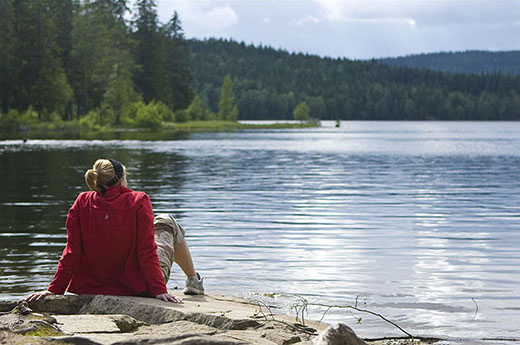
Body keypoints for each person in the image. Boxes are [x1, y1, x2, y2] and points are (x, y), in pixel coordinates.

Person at [26, 158, 203, 302]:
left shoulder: (82, 201)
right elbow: (146, 250)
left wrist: (55, 290)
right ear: (120, 180)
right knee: (167, 221)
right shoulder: (138, 200)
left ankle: (193, 280)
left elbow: (72, 252)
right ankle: (193, 281)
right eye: (125, 176)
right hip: (138, 287)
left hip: (91, 288)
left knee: (159, 224)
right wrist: (158, 290)